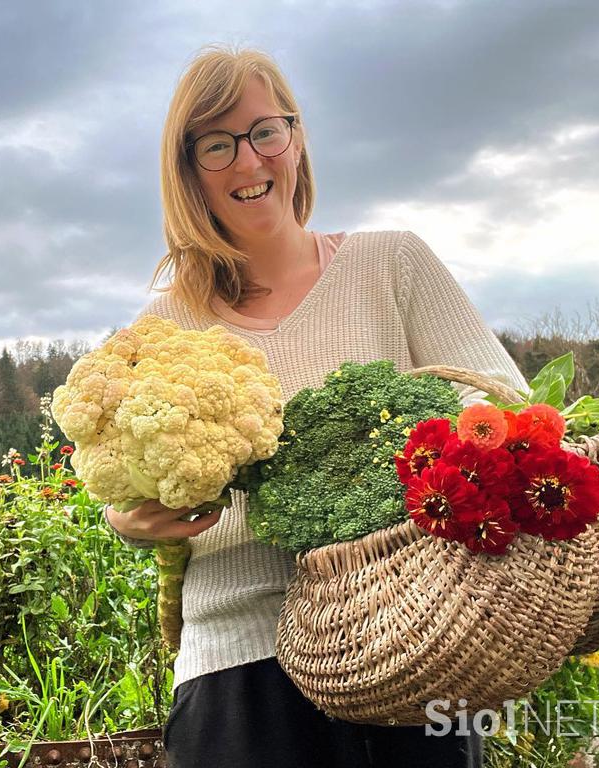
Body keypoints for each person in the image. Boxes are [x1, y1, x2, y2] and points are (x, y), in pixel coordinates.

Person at [103, 45, 529, 768]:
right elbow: (119, 479)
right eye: (216, 145)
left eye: (266, 131)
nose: (248, 162)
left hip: (407, 638)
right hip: (235, 666)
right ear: (187, 171)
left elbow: (505, 408)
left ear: (295, 138)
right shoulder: (161, 328)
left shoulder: (390, 263)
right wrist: (128, 519)